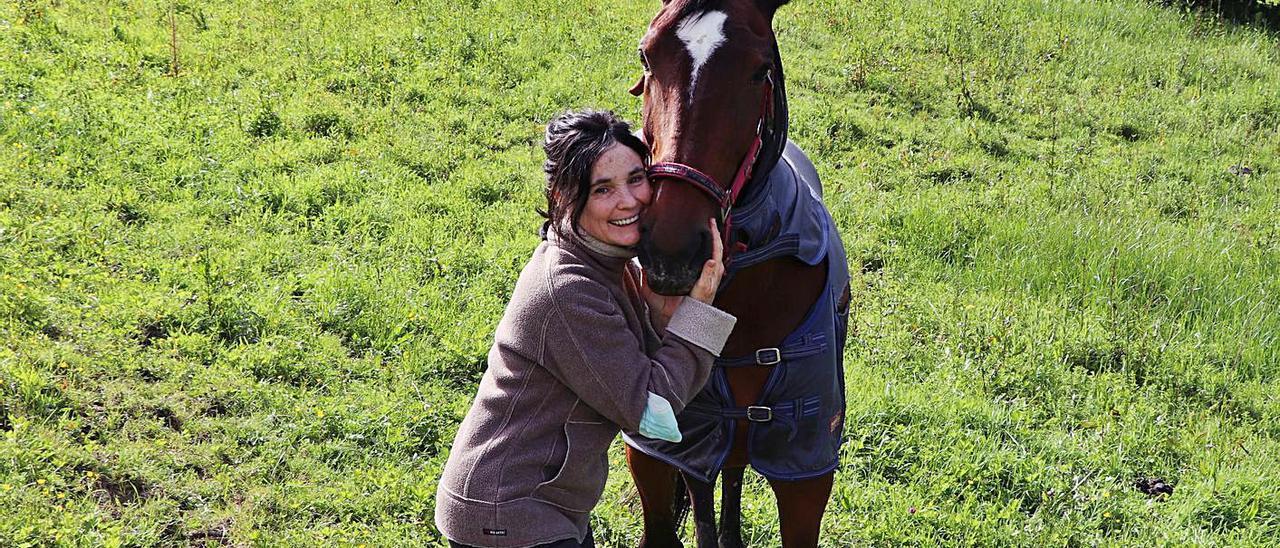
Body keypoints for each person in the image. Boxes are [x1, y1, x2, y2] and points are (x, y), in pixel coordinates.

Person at [434, 109, 735, 548]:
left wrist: (660, 314)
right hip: (509, 514)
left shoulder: (601, 264)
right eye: (603, 189)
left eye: (637, 178)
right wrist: (698, 314)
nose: (629, 201)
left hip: (541, 504)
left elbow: (620, 371)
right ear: (563, 197)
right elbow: (654, 413)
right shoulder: (569, 290)